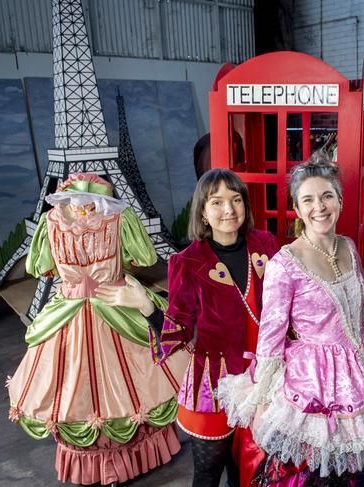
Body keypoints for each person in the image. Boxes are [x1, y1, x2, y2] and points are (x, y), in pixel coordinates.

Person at [216, 152, 364, 484]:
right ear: (297, 209)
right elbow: (271, 337)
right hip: (317, 375)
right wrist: (262, 397)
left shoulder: (348, 246)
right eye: (307, 199)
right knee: (320, 472)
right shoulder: (285, 263)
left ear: (339, 200)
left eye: (326, 196)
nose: (319, 206)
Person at [97, 168, 280, 487]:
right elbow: (179, 329)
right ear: (203, 212)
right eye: (217, 202)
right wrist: (147, 307)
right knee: (208, 475)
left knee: (250, 471)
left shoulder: (266, 243)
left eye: (236, 200)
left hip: (265, 381)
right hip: (213, 386)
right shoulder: (187, 262)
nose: (229, 210)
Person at [7, 173, 189, 485]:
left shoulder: (118, 217)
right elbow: (142, 259)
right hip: (73, 314)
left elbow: (41, 268)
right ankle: (104, 460)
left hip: (116, 304)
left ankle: (127, 457)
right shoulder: (52, 222)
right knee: (77, 387)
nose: (82, 207)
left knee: (130, 381)